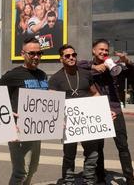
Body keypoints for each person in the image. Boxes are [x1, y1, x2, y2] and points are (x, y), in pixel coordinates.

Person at [79, 39, 134, 185]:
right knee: (98, 148)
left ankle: (130, 179)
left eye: (106, 50)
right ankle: (100, 179)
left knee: (122, 145)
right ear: (93, 50)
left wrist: (127, 62)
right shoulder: (87, 66)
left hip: (115, 109)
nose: (104, 52)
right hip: (97, 110)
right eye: (101, 49)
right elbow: (78, 66)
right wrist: (95, 67)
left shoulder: (114, 67)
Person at [48, 44, 100, 185]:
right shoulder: (55, 79)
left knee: (92, 154)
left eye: (73, 55)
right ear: (61, 59)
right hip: (67, 124)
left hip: (86, 121)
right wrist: (58, 118)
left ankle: (89, 180)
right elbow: (52, 102)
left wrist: (103, 110)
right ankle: (68, 181)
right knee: (69, 156)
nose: (71, 58)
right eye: (67, 56)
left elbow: (95, 93)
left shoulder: (85, 74)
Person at [0, 37, 48, 185]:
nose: (36, 57)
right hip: (18, 131)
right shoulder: (12, 75)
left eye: (39, 53)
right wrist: (7, 115)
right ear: (22, 54)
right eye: (32, 53)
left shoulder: (42, 75)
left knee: (32, 169)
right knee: (21, 172)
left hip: (36, 130)